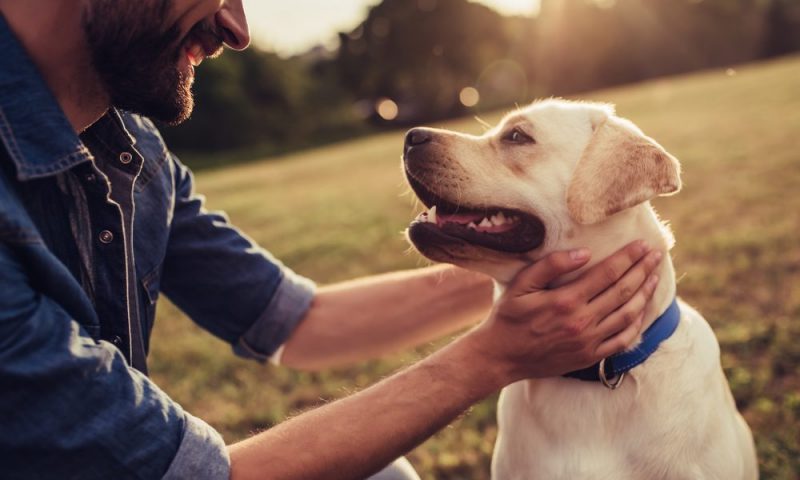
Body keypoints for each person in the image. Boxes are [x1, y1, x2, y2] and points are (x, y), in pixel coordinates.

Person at [0, 1, 664, 479]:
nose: (236, 28)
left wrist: (550, 266)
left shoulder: (132, 153)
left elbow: (300, 321)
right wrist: (491, 357)